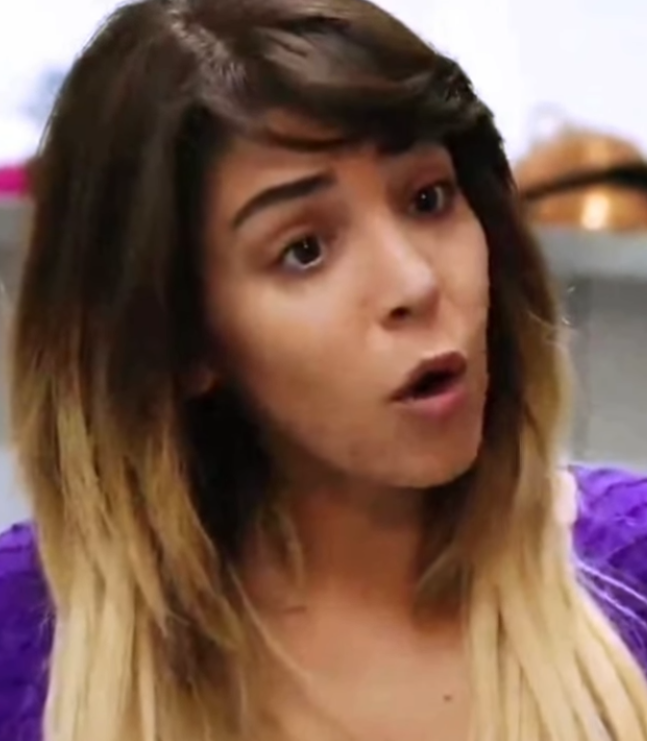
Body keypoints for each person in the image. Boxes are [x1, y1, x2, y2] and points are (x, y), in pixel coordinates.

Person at [1, 0, 646, 740]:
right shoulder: (21, 635)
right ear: (181, 341)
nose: (414, 282)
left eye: (428, 199)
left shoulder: (629, 567)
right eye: (304, 250)